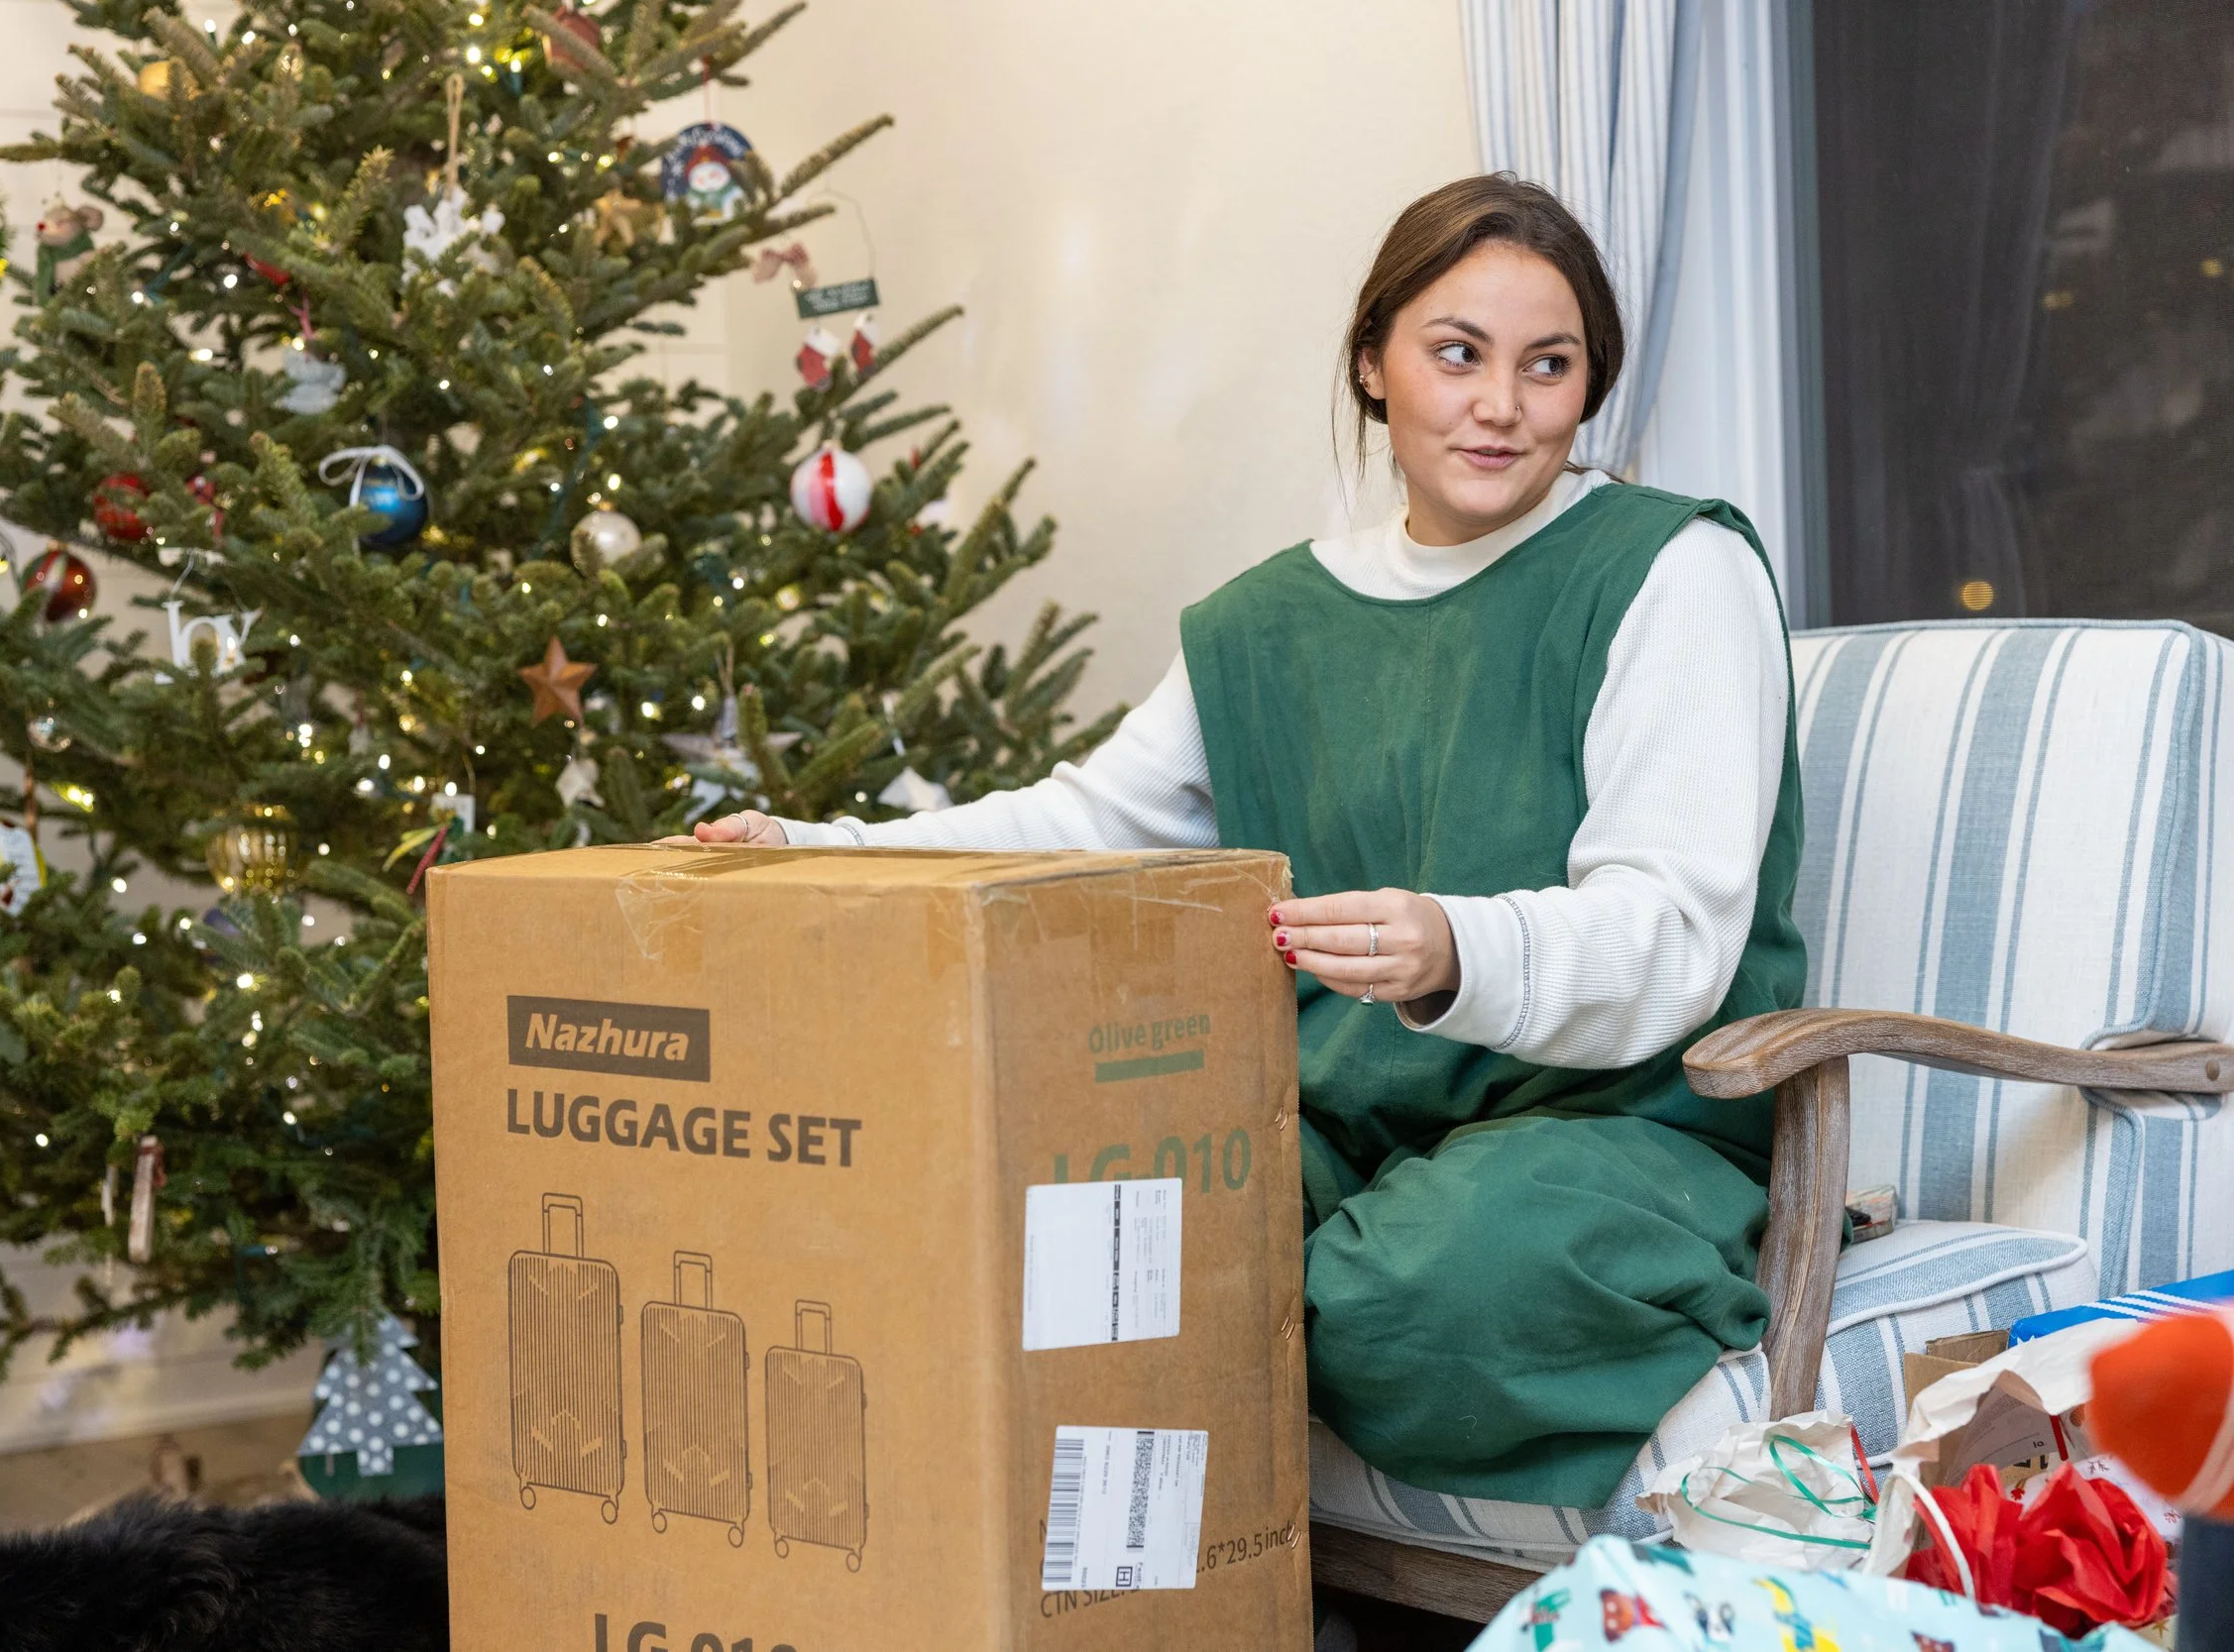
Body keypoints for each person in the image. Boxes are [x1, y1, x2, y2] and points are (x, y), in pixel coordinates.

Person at [688, 173, 1804, 1510]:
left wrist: (1455, 946)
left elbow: (1672, 932)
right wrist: (821, 844)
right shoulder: (1265, 624)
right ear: (1373, 364)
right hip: (1337, 1129)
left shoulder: (1675, 570)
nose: (1502, 405)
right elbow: (1091, 824)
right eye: (1458, 354)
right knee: (1086, 1242)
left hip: (1613, 1130)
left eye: (1547, 366)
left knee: (1413, 1299)